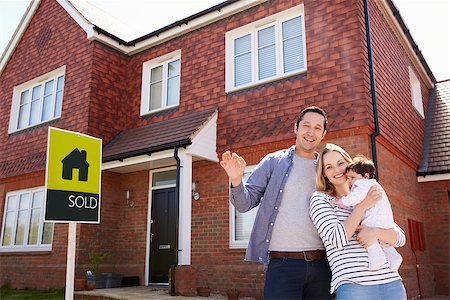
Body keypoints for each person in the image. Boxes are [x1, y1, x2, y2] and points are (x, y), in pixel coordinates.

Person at [221, 106, 332, 299]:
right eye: (306, 125)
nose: (311, 132)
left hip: (322, 264)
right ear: (295, 128)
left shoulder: (326, 169)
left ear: (323, 134)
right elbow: (244, 203)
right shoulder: (274, 161)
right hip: (283, 265)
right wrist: (237, 180)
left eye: (317, 128)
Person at [309, 143, 407, 300]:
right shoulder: (321, 200)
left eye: (341, 163)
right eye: (329, 167)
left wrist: (376, 232)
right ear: (324, 174)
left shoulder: (368, 191)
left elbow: (400, 238)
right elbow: (338, 240)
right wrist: (362, 207)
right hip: (355, 286)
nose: (337, 170)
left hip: (391, 283)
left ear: (349, 164)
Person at [333, 155, 403, 271]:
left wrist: (342, 202)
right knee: (384, 243)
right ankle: (394, 257)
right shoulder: (375, 185)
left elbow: (355, 197)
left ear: (365, 176)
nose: (349, 181)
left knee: (366, 237)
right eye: (348, 178)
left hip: (374, 221)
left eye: (352, 177)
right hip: (386, 221)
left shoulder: (362, 184)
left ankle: (377, 258)